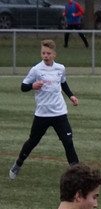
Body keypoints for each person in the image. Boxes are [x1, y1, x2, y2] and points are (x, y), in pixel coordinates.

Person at [9, 40, 80, 181]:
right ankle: (18, 164)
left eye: (48, 53)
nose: (45, 56)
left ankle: (78, 173)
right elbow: (23, 86)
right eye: (43, 53)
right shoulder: (36, 70)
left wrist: (71, 96)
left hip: (59, 112)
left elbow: (63, 83)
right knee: (33, 141)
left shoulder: (60, 68)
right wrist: (32, 86)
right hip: (42, 114)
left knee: (68, 141)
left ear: (54, 54)